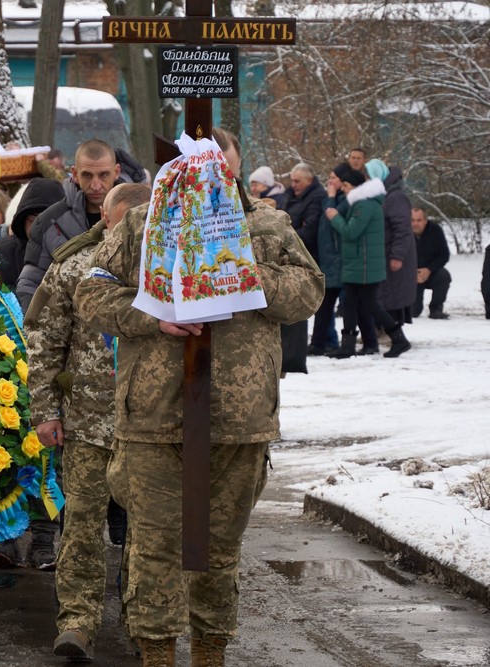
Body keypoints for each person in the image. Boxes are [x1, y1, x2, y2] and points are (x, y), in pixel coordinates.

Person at [73, 127, 323, 666]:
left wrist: (247, 277)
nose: (211, 176)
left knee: (219, 553)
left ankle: (210, 655)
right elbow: (90, 294)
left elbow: (310, 289)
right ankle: (157, 655)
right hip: (155, 417)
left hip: (240, 420)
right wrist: (151, 313)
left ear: (235, 168)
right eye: (201, 164)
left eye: (222, 168)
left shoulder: (269, 223)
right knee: (156, 551)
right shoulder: (142, 223)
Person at [24, 183, 150, 661]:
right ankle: (77, 621)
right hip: (88, 425)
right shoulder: (74, 267)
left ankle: (144, 623)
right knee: (81, 525)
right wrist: (44, 413)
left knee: (148, 531)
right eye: (126, 224)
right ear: (106, 218)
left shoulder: (169, 270)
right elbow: (44, 344)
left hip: (151, 429)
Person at [17, 138, 122, 313]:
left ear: (116, 171)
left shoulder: (138, 216)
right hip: (68, 328)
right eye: (87, 175)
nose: (96, 185)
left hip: (125, 326)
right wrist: (32, 330)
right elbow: (31, 282)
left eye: (103, 175)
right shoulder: (49, 221)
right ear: (74, 173)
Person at [325, 163, 411, 358]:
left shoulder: (363, 205)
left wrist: (335, 217)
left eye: (346, 186)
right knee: (351, 304)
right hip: (358, 264)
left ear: (354, 186)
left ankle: (399, 339)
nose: (344, 189)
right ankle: (347, 345)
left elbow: (350, 231)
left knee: (370, 304)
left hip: (363, 265)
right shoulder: (363, 202)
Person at [366, 159, 417, 329]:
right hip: (383, 254)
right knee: (383, 294)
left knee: (392, 295)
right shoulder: (382, 195)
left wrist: (397, 255)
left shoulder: (395, 197)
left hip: (393, 255)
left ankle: (392, 331)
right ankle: (381, 329)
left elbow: (402, 229)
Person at [0, 177, 64, 292]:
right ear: (22, 221)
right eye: (32, 220)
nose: (39, 228)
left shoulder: (76, 255)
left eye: (48, 221)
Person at [310, 170, 347, 356]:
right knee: (324, 304)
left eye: (334, 178)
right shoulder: (330, 198)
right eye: (329, 177)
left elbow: (332, 218)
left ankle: (335, 343)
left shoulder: (344, 199)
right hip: (327, 258)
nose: (330, 181)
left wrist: (331, 197)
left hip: (338, 258)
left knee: (343, 304)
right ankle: (318, 342)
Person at [411, 207, 452, 320]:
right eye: (412, 220)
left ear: (425, 220)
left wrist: (429, 269)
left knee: (444, 276)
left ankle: (436, 309)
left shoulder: (435, 230)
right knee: (413, 312)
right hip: (410, 275)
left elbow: (444, 255)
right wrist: (411, 271)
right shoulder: (403, 233)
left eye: (418, 220)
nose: (415, 223)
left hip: (431, 272)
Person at [282, 162, 326, 259]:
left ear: (309, 180)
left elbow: (310, 231)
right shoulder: (288, 195)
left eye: (297, 181)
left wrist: (285, 237)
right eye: (292, 181)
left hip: (308, 254)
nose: (293, 185)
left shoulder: (318, 197)